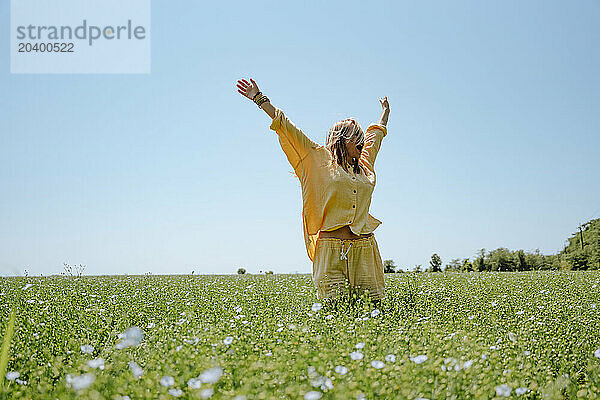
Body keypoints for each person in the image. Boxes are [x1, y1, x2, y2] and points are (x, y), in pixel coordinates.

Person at [236, 78, 390, 305]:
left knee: (373, 309)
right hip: (330, 252)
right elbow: (286, 126)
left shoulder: (364, 164)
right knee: (335, 312)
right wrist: (260, 99)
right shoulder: (316, 158)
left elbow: (376, 136)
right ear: (344, 139)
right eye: (357, 137)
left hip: (365, 251)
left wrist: (385, 113)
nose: (363, 143)